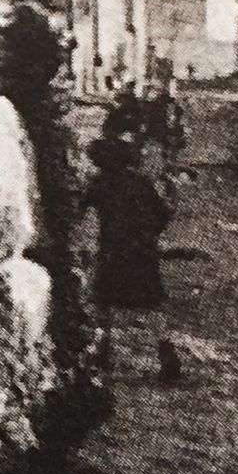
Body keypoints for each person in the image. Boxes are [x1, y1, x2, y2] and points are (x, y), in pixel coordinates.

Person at [85, 132, 182, 383]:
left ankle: (102, 348)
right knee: (152, 303)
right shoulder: (142, 183)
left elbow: (84, 215)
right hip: (142, 252)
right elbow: (163, 214)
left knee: (104, 301)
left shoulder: (98, 184)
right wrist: (149, 235)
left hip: (112, 250)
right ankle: (165, 349)